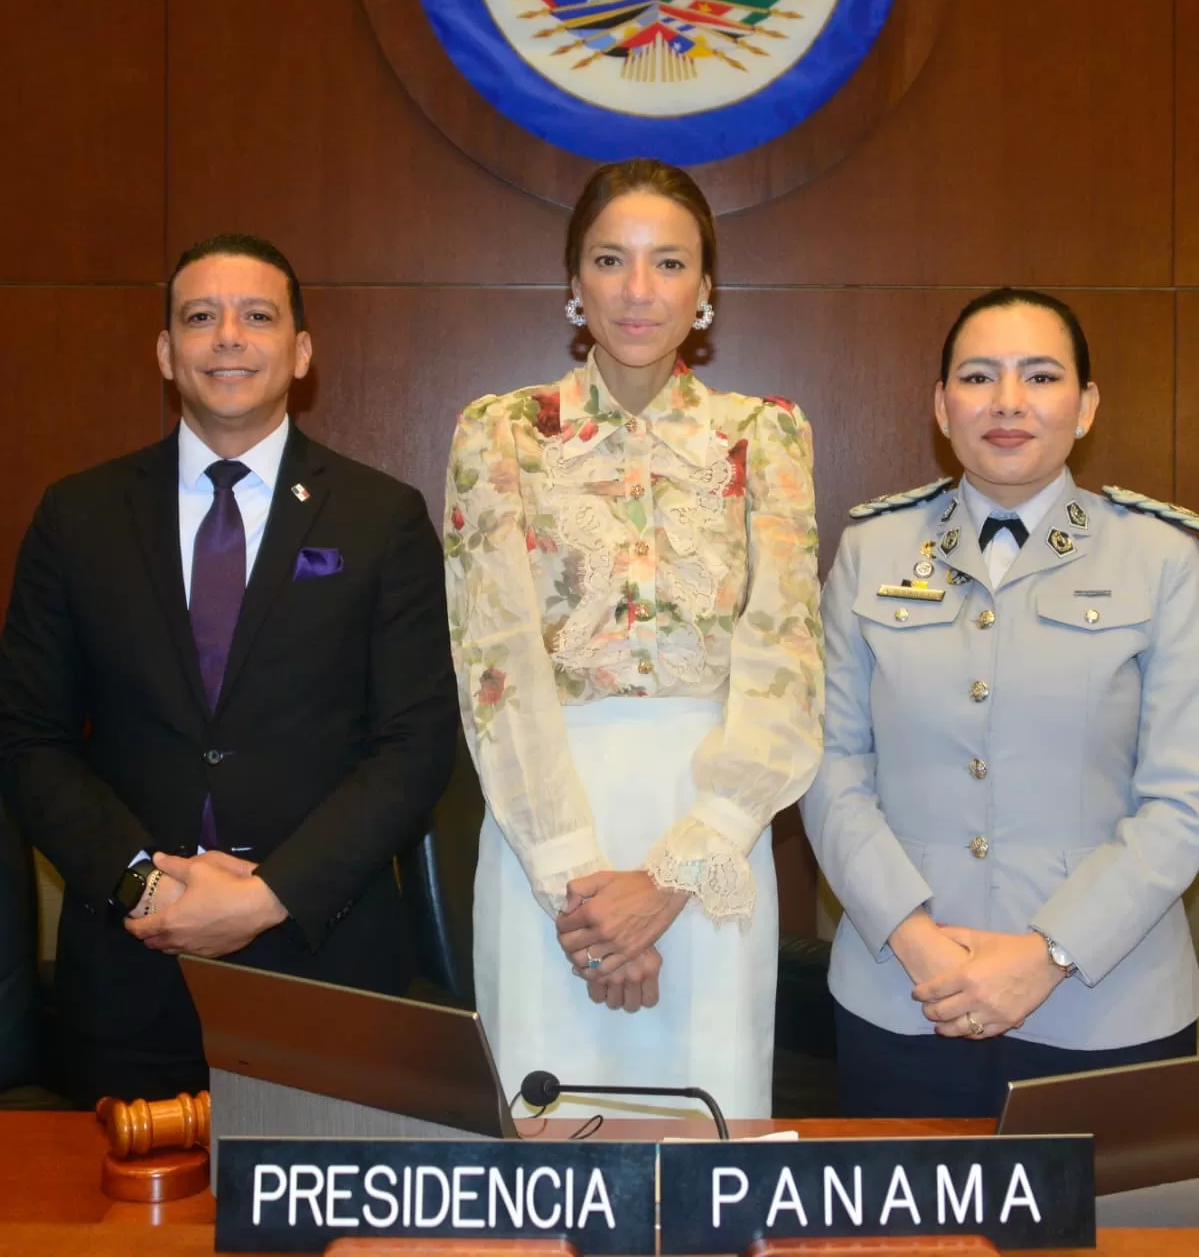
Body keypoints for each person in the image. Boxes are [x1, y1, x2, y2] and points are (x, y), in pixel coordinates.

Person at [0, 233, 458, 1106]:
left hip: (326, 962)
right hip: (131, 967)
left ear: (301, 351)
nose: (228, 337)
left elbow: (415, 746)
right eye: (200, 317)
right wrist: (144, 886)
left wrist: (271, 895)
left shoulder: (382, 518)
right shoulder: (78, 515)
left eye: (257, 316)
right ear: (165, 351)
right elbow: (27, 740)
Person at [444, 158, 823, 1119]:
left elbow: (784, 672)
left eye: (669, 262)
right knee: (545, 1143)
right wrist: (580, 891)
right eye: (610, 259)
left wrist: (669, 879)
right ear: (575, 282)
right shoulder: (500, 432)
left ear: (706, 289)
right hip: (543, 831)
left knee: (704, 1138)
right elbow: (493, 669)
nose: (638, 289)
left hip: (713, 834)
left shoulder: (766, 435)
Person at [803, 286, 1199, 1118]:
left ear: (1084, 406)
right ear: (940, 406)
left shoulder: (1164, 558)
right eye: (978, 376)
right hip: (903, 994)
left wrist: (1047, 953)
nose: (1008, 401)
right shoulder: (871, 548)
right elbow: (830, 766)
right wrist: (914, 939)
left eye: (1041, 376)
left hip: (1106, 1005)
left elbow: (1182, 798)